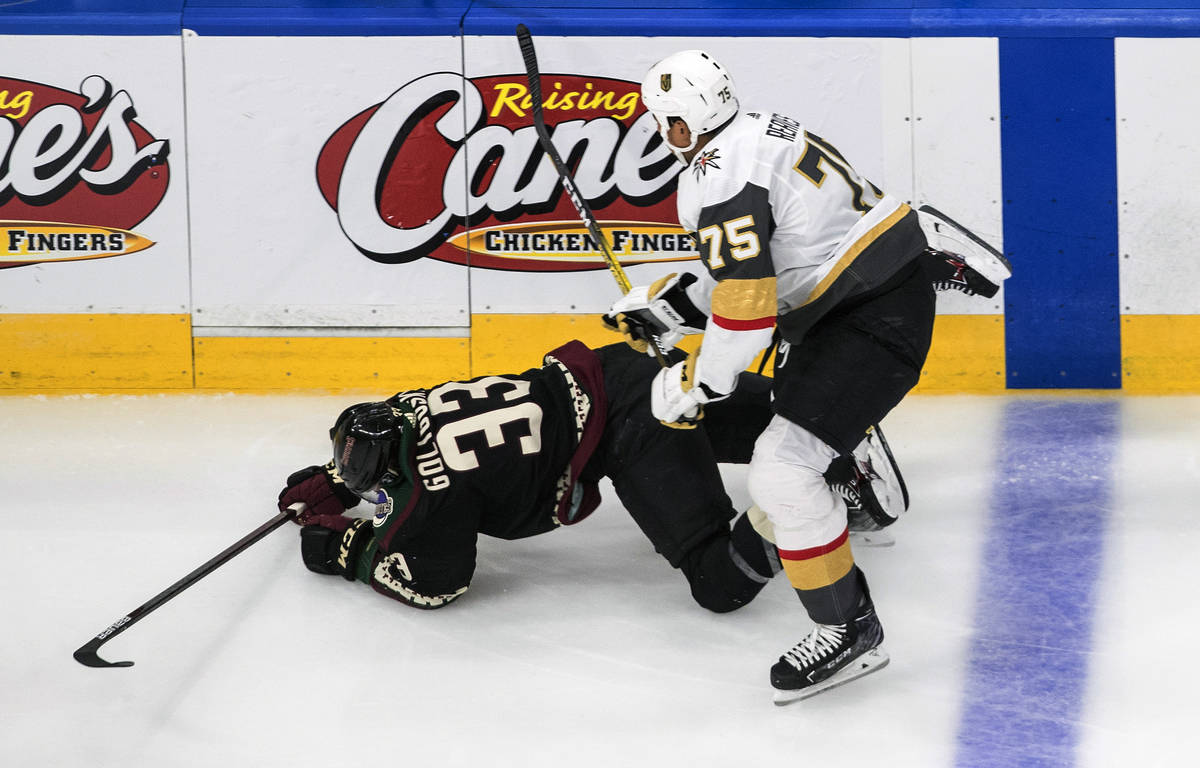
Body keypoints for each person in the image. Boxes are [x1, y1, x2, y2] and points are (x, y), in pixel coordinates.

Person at [603, 49, 1010, 704]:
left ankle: (848, 628)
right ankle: (848, 468)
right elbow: (757, 270)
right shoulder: (759, 131)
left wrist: (695, 385)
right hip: (858, 291)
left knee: (781, 469)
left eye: (667, 122)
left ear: (683, 122)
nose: (665, 134)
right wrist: (667, 308)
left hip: (870, 321)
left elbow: (747, 318)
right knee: (794, 432)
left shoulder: (716, 180)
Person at [277, 340, 906, 615]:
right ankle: (834, 436)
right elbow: (384, 454)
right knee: (754, 418)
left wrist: (343, 547)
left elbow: (437, 581)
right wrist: (341, 482)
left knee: (718, 584)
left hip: (631, 432)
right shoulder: (408, 404)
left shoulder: (431, 499)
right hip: (621, 372)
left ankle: (803, 496)